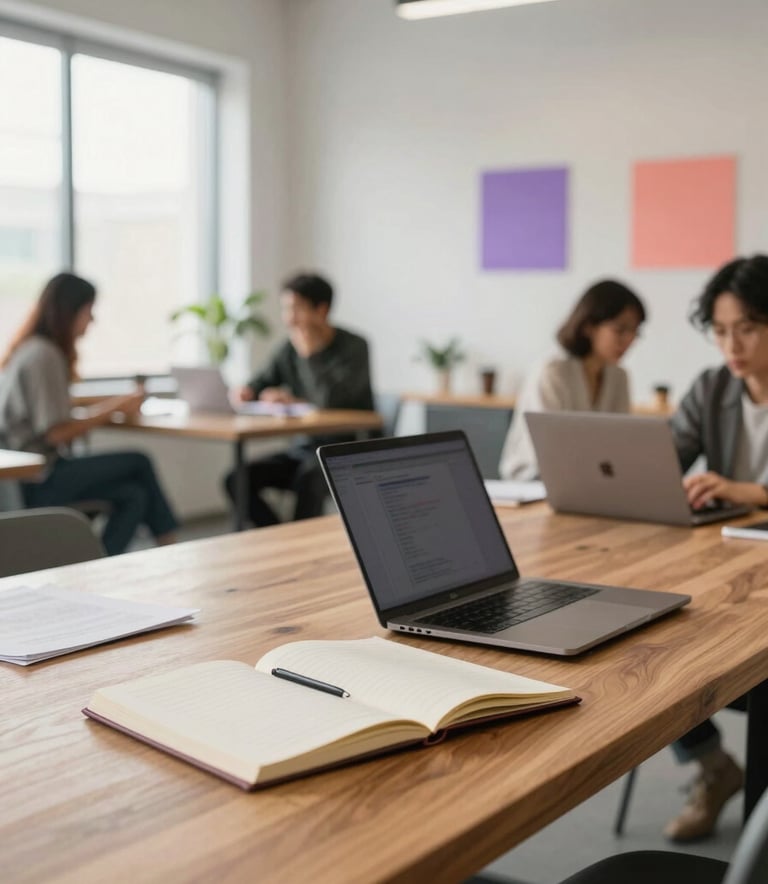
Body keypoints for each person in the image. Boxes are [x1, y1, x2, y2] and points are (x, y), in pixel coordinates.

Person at [663, 254, 768, 842]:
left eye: (748, 327)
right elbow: (665, 460)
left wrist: (750, 491)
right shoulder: (712, 387)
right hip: (732, 569)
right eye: (721, 330)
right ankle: (714, 767)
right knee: (655, 637)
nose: (732, 344)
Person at [0, 272, 179, 556]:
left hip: (33, 476)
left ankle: (98, 564)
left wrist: (113, 404)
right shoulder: (44, 356)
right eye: (89, 311)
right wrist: (114, 408)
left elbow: (57, 412)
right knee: (139, 460)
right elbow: (56, 431)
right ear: (69, 311)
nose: (92, 321)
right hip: (38, 478)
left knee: (134, 496)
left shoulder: (31, 350)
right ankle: (171, 547)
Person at [225, 271, 373, 526]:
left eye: (297, 309)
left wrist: (311, 355)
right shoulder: (288, 348)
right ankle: (277, 538)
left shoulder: (355, 347)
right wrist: (246, 391)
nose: (289, 319)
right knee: (237, 479)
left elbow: (331, 401)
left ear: (321, 309)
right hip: (304, 448)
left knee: (311, 477)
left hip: (346, 449)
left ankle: (299, 544)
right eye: (286, 309)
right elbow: (260, 382)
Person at [499, 280, 646, 479]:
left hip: (591, 483)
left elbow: (618, 447)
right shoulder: (553, 372)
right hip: (534, 480)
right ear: (589, 326)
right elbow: (550, 452)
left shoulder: (619, 377)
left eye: (634, 331)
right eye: (620, 330)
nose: (628, 340)